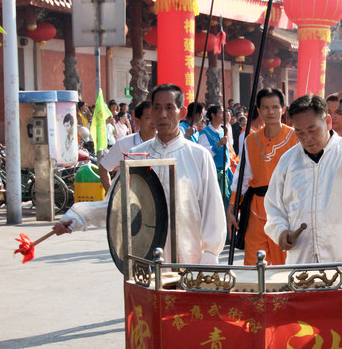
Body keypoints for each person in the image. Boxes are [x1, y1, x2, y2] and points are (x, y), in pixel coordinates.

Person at [53, 83, 226, 266]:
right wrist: (77, 216)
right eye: (157, 108)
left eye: (169, 108)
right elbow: (115, 206)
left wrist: (209, 255)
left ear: (181, 113)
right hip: (145, 261)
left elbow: (212, 209)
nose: (162, 115)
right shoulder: (136, 156)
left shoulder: (199, 156)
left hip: (189, 260)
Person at [265, 89, 342, 264]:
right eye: (300, 132)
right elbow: (274, 206)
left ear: (328, 122)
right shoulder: (288, 161)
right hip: (303, 263)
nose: (307, 138)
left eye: (312, 129)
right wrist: (280, 231)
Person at [228, 88, 297, 265]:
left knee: (285, 266)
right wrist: (233, 206)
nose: (271, 111)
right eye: (265, 107)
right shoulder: (250, 140)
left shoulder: (296, 137)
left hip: (285, 209)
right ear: (258, 110)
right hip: (257, 209)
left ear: (283, 109)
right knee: (253, 265)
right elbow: (242, 178)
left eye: (275, 107)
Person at [98, 100, 156, 192]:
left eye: (156, 117)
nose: (154, 122)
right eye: (149, 118)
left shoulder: (163, 145)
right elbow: (103, 168)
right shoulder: (124, 144)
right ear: (137, 121)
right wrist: (112, 197)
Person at [198, 105, 231, 210]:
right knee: (215, 204)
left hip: (225, 171)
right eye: (221, 113)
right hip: (213, 173)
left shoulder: (223, 130)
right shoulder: (205, 133)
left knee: (228, 200)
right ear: (212, 115)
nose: (223, 116)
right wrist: (218, 145)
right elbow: (204, 154)